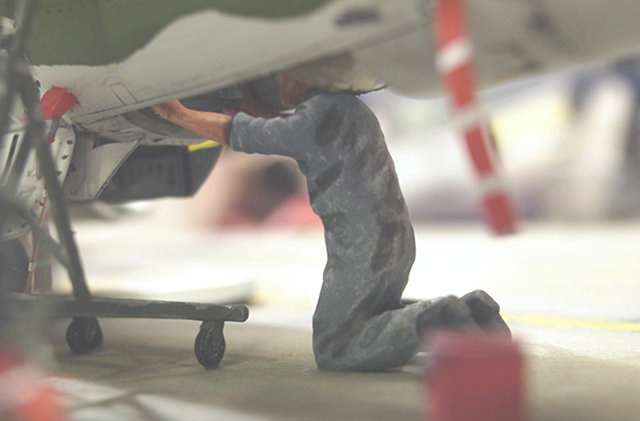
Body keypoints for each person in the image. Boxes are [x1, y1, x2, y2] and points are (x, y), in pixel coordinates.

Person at [153, 73, 510, 371]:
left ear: (300, 80)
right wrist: (252, 109)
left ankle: (440, 317)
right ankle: (474, 312)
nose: (278, 86)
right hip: (395, 240)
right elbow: (281, 123)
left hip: (361, 248)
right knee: (369, 315)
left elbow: (237, 133)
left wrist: (177, 114)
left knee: (335, 345)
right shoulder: (350, 108)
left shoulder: (310, 123)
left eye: (282, 78)